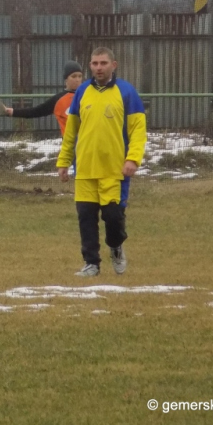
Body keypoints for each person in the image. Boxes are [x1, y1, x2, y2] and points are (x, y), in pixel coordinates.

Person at [56, 47, 146, 277]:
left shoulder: (126, 92)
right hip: (85, 169)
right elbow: (72, 130)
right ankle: (91, 264)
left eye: (103, 63)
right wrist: (64, 161)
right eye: (94, 63)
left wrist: (133, 159)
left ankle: (116, 247)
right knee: (86, 219)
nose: (98, 67)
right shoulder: (82, 91)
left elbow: (138, 130)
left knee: (113, 218)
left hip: (114, 170)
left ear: (113, 65)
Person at [0, 61, 83, 135]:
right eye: (73, 76)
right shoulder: (58, 100)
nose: (77, 79)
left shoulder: (87, 95)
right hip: (71, 147)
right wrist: (10, 112)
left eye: (80, 76)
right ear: (66, 79)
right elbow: (36, 111)